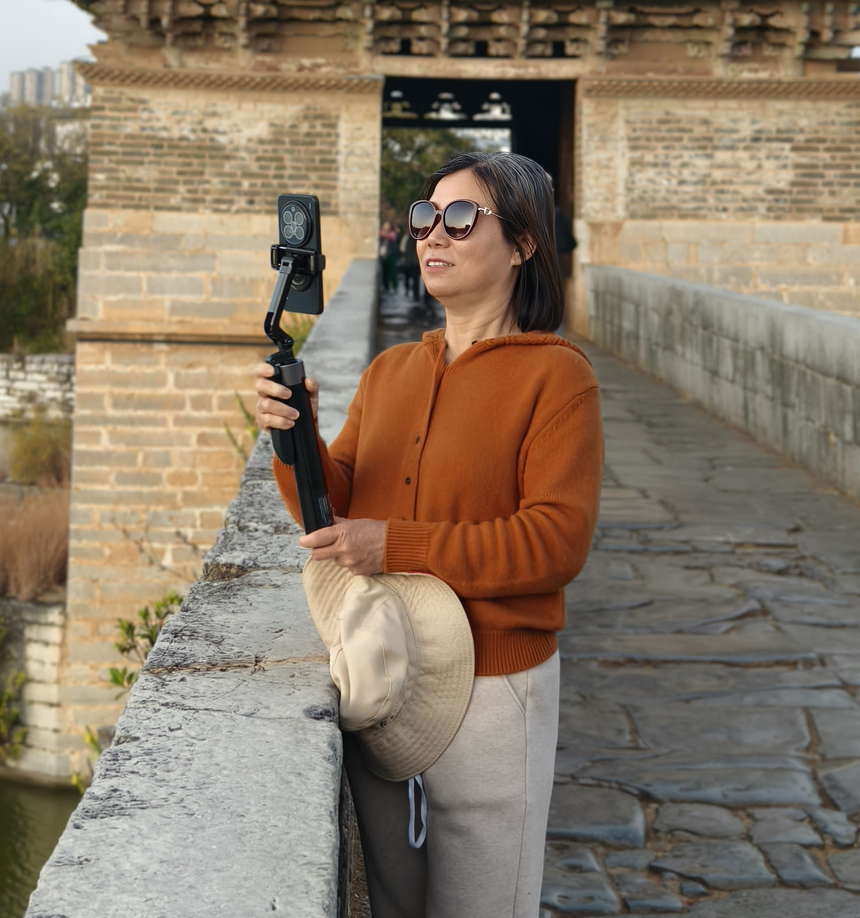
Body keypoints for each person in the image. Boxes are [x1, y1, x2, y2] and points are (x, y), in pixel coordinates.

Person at [254, 152, 603, 918]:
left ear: (522, 243)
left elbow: (556, 543)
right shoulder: (389, 372)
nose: (433, 234)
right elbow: (329, 511)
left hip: (492, 692)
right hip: (384, 672)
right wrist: (294, 435)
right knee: (391, 903)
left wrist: (394, 547)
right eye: (424, 217)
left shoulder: (557, 378)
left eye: (461, 217)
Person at [399, 230, 420, 302]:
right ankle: (416, 295)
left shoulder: (408, 237)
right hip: (415, 262)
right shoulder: (416, 238)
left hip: (410, 261)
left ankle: (410, 291)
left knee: (409, 277)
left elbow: (403, 249)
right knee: (415, 279)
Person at [378, 218, 399, 293]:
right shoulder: (382, 236)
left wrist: (382, 233)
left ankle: (395, 287)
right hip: (383, 256)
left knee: (392, 272)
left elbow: (391, 237)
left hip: (391, 255)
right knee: (385, 272)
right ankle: (386, 287)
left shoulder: (392, 234)